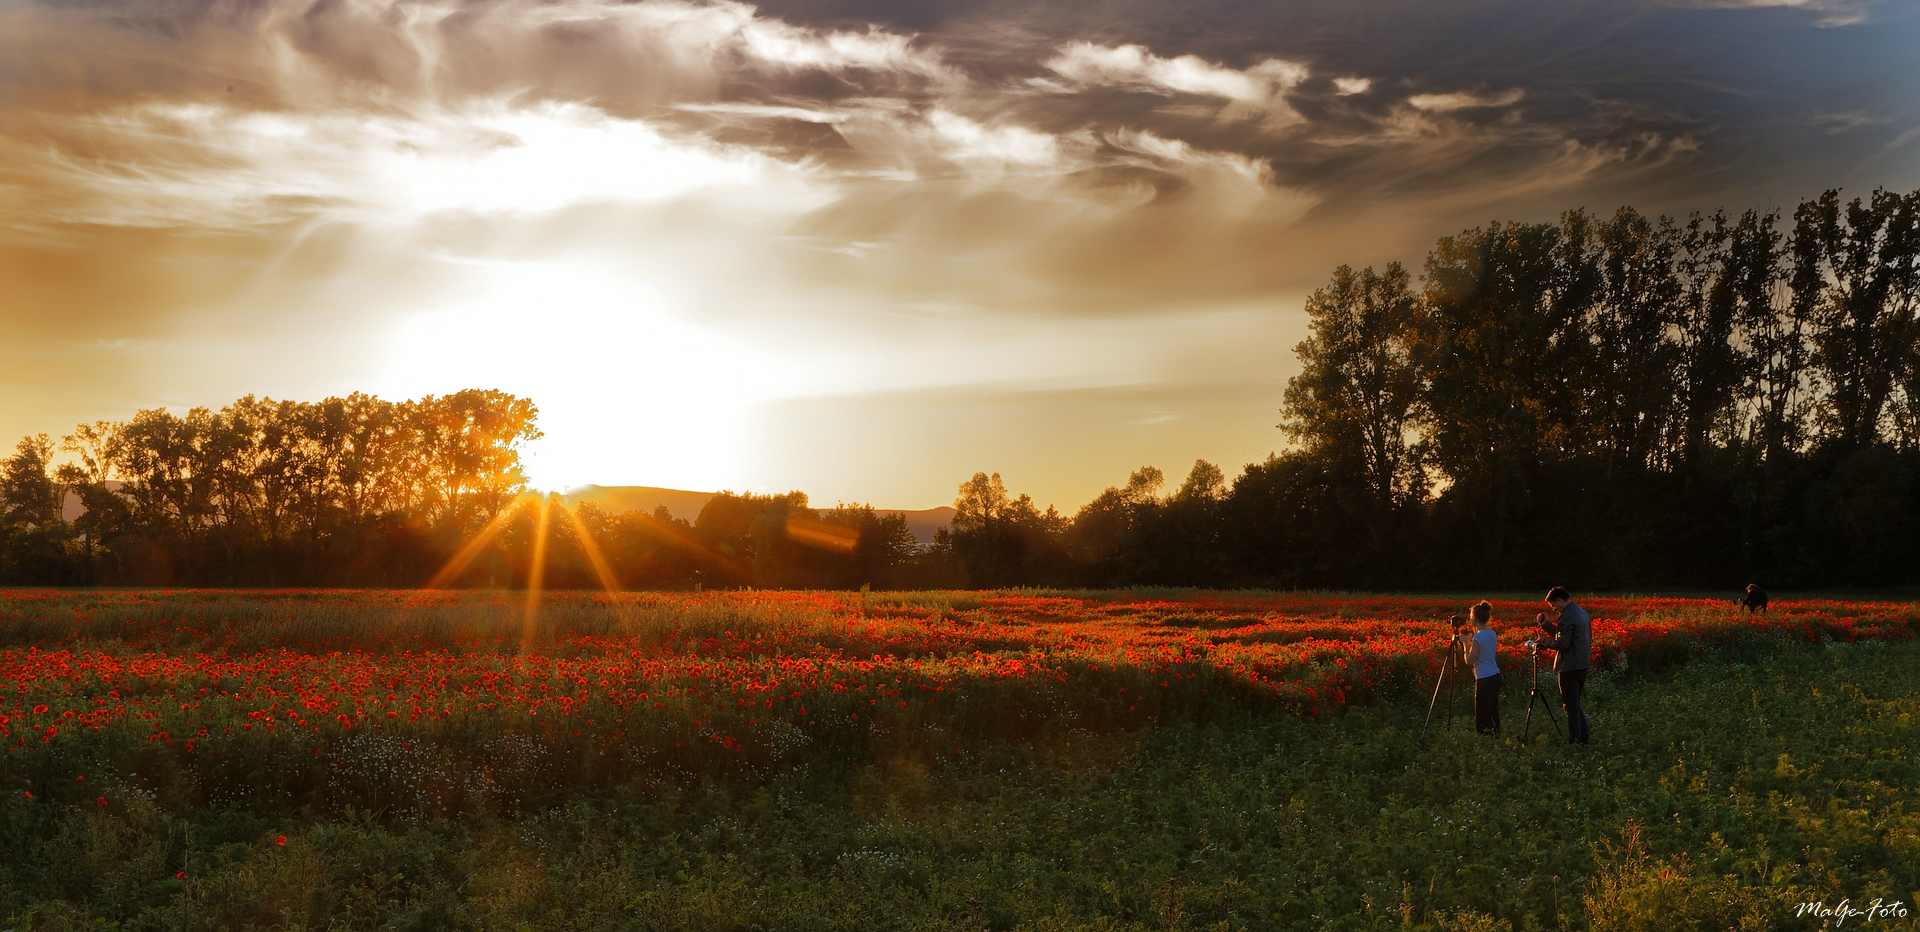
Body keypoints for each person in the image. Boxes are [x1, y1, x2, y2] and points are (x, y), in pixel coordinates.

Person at [1531, 587, 1592, 745]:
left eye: (1553, 606)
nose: (1554, 609)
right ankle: (1583, 739)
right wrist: (1546, 625)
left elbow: (1563, 644)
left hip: (1569, 666)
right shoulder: (1581, 613)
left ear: (1559, 600)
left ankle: (1575, 742)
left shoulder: (1566, 616)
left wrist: (1545, 642)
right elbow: (1563, 634)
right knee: (1575, 703)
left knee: (1570, 706)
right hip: (1582, 664)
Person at [1459, 600, 1500, 735]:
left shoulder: (1477, 638)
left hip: (1484, 678)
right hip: (1495, 675)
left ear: (1474, 619)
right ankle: (1496, 733)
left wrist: (1465, 644)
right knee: (1493, 708)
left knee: (1482, 711)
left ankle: (1484, 736)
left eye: (1470, 616)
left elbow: (1470, 661)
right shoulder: (1492, 633)